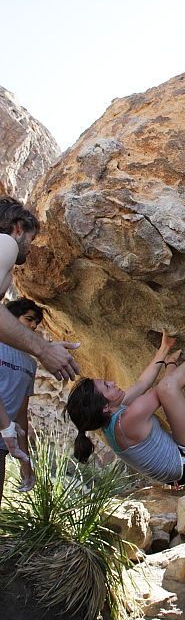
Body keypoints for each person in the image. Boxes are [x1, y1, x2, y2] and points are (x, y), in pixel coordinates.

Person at [64, 324, 185, 486]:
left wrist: (164, 348)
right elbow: (164, 390)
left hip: (174, 469)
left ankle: (170, 361)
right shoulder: (130, 419)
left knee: (166, 388)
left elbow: (143, 383)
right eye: (107, 386)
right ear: (104, 407)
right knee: (167, 388)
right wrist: (170, 366)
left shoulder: (108, 416)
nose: (112, 382)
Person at [0, 196, 80, 457]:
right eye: (31, 240)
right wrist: (43, 350)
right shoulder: (6, 243)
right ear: (18, 227)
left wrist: (6, 427)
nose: (30, 249)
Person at [0, 298, 43, 503]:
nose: (34, 326)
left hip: (2, 442)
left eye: (36, 322)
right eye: (29, 319)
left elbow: (21, 414)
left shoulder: (30, 364)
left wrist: (25, 460)